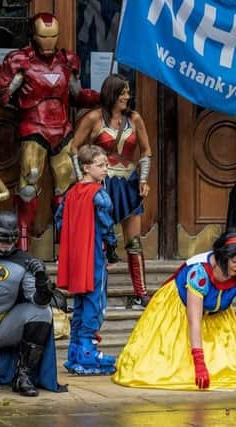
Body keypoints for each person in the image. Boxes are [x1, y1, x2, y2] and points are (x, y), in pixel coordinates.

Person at [0, 12, 99, 250]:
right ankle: (22, 242)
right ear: (34, 36)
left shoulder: (65, 61)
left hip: (62, 129)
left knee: (66, 185)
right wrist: (3, 85)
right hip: (33, 128)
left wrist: (100, 96)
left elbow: (76, 94)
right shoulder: (21, 61)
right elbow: (2, 96)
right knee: (29, 183)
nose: (49, 42)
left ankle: (66, 244)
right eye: (43, 36)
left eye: (53, 36)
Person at [0, 211, 65, 398]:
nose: (7, 247)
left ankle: (23, 376)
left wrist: (41, 280)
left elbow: (39, 302)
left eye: (11, 241)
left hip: (4, 326)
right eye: (2, 241)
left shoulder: (24, 260)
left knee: (42, 313)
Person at [113, 230, 236, 390]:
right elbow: (194, 321)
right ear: (223, 258)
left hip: (217, 315)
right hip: (180, 312)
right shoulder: (199, 273)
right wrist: (199, 362)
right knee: (170, 369)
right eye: (235, 261)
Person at [71, 73, 152, 309]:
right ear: (111, 93)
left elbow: (146, 151)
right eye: (122, 92)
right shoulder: (94, 118)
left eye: (128, 91)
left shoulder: (135, 119)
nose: (127, 96)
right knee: (100, 240)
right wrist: (83, 181)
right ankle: (97, 292)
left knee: (134, 242)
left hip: (129, 184)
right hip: (102, 185)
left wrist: (144, 179)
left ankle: (141, 292)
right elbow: (74, 148)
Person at [55, 144, 118, 375]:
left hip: (75, 255)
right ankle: (88, 352)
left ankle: (75, 352)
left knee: (80, 303)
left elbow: (60, 222)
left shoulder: (70, 193)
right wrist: (112, 250)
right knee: (95, 301)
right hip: (93, 255)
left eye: (106, 165)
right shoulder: (99, 194)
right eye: (100, 165)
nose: (105, 169)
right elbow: (107, 226)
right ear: (86, 167)